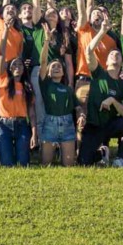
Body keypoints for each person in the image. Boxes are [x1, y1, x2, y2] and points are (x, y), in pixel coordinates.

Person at [77, 15, 123, 166]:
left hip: (111, 124)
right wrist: (102, 31)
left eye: (118, 54)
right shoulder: (99, 73)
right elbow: (89, 50)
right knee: (83, 163)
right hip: (94, 124)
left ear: (122, 62)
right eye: (111, 54)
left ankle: (120, 158)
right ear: (107, 61)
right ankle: (102, 153)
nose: (115, 55)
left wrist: (113, 101)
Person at [37, 34, 77, 167]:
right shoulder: (45, 84)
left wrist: (82, 114)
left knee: (69, 165)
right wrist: (47, 41)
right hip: (50, 124)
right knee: (46, 164)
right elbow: (43, 62)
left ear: (63, 72)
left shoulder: (68, 89)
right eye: (53, 66)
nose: (56, 68)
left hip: (67, 124)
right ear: (48, 72)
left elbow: (76, 107)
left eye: (59, 66)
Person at [0, 33, 33, 167]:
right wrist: (6, 31)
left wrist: (34, 133)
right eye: (14, 64)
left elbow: (32, 112)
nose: (17, 67)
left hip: (22, 125)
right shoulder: (3, 79)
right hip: (4, 125)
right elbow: (1, 54)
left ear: (23, 69)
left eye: (20, 65)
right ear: (9, 68)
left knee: (23, 164)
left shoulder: (27, 86)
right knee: (7, 164)